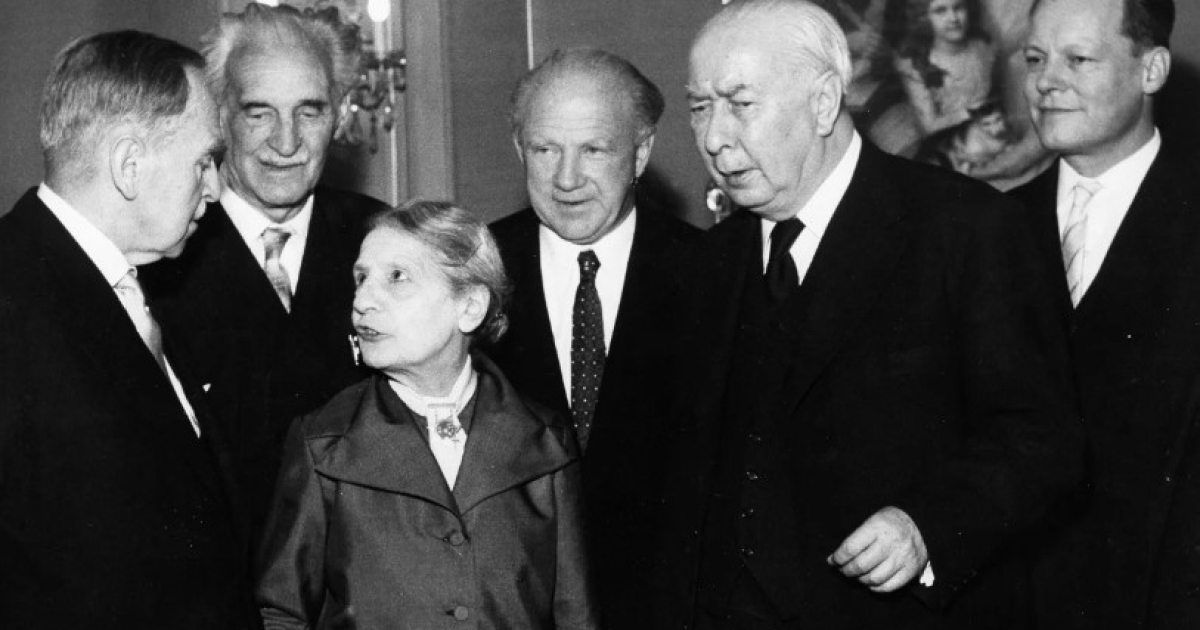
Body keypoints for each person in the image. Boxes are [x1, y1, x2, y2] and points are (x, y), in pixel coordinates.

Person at [655, 1, 1081, 628]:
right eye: (699, 107)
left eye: (740, 104)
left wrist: (926, 525)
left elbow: (1042, 439)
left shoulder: (965, 229)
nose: (714, 138)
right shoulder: (708, 262)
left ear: (825, 101)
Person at [0, 31, 258, 629]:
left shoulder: (139, 288)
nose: (216, 189)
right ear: (128, 165)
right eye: (205, 161)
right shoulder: (12, 294)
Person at [256, 200, 597, 629]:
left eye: (397, 277)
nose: (363, 301)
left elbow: (576, 616)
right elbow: (282, 613)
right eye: (361, 278)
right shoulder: (324, 442)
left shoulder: (545, 441)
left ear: (470, 307)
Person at [141, 3, 389, 543]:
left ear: (339, 114)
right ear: (219, 115)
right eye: (259, 113)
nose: (286, 142)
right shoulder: (161, 258)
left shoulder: (384, 238)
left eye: (309, 112)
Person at [487, 48, 698, 625]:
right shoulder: (469, 272)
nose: (567, 178)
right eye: (545, 149)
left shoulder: (711, 276)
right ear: (519, 150)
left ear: (641, 153)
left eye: (594, 150)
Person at [1007, 0, 1200, 627]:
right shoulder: (986, 231)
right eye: (1035, 58)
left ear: (1152, 70)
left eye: (1078, 59)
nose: (1046, 81)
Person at [887, 0, 997, 154]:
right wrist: (972, 112)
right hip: (950, 143)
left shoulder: (982, 47)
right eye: (940, 11)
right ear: (924, 17)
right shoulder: (917, 67)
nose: (953, 18)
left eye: (958, 7)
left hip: (994, 128)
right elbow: (928, 126)